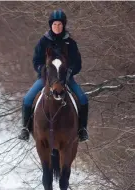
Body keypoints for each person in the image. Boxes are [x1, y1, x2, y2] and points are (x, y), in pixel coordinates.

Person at [18, 9, 89, 142]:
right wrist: (42, 70)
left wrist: (70, 71)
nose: (57, 27)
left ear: (64, 25)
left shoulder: (70, 43)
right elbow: (36, 60)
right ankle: (25, 129)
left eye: (60, 24)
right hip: (46, 79)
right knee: (27, 99)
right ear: (51, 25)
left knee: (83, 98)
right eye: (55, 24)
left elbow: (77, 63)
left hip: (66, 79)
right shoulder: (43, 42)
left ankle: (82, 129)